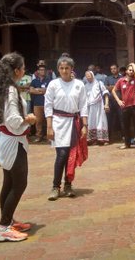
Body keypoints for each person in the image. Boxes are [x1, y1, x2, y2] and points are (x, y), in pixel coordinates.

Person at [0, 53, 37, 242]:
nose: (24, 70)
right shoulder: (10, 90)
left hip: (8, 139)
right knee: (19, 183)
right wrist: (29, 119)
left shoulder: (2, 88)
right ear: (17, 71)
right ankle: (3, 228)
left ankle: (7, 221)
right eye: (23, 67)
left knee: (9, 182)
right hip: (12, 140)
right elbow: (13, 120)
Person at [45, 56, 88, 201]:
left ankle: (68, 185)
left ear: (71, 69)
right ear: (58, 69)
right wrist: (49, 126)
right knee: (61, 155)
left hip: (74, 123)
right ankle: (55, 186)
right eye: (61, 68)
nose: (64, 71)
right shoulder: (53, 84)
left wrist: (84, 125)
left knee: (72, 155)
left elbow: (83, 105)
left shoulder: (79, 84)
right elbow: (48, 106)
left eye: (67, 68)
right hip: (58, 122)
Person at [112, 63, 135, 149]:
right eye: (129, 70)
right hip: (125, 106)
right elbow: (114, 90)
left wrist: (132, 64)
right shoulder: (121, 80)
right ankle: (127, 143)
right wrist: (118, 101)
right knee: (126, 126)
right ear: (126, 71)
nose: (131, 71)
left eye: (132, 70)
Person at [84, 70, 109, 145]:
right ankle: (92, 139)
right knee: (91, 122)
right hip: (89, 108)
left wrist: (106, 104)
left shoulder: (99, 83)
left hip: (99, 106)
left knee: (100, 121)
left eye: (89, 76)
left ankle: (102, 139)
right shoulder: (85, 86)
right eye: (87, 76)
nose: (88, 78)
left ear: (92, 76)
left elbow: (106, 94)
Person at [29, 65, 51, 143]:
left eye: (43, 70)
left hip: (47, 103)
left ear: (46, 71)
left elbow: (48, 91)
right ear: (38, 71)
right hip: (37, 104)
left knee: (48, 120)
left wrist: (37, 89)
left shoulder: (49, 80)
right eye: (40, 70)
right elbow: (31, 90)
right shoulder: (34, 81)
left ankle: (49, 136)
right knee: (38, 121)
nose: (42, 71)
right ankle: (39, 136)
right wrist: (42, 90)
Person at [104, 64, 122, 142]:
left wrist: (112, 87)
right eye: (111, 69)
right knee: (109, 120)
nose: (113, 70)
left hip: (120, 101)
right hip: (110, 101)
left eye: (114, 68)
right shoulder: (108, 78)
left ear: (118, 69)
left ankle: (123, 136)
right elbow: (105, 88)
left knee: (122, 119)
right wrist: (116, 87)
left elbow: (122, 87)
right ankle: (109, 138)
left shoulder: (122, 78)